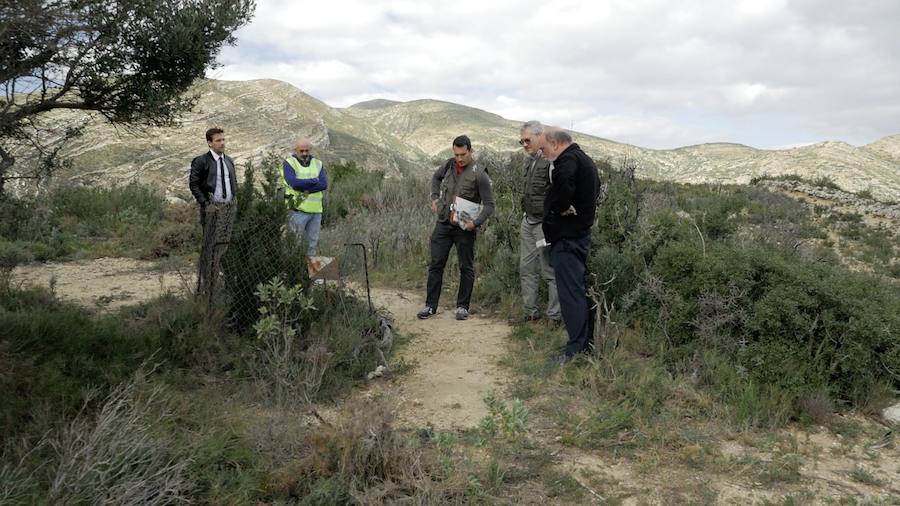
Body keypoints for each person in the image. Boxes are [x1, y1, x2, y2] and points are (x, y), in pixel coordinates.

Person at [417, 135, 495, 321]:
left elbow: (489, 204)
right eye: (456, 154)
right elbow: (436, 178)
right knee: (436, 264)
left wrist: (475, 223)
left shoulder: (480, 174)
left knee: (466, 267)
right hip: (444, 222)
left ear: (470, 151)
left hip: (464, 227)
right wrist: (434, 197)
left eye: (463, 154)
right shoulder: (449, 165)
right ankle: (430, 306)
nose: (459, 158)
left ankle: (462, 307)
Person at [539, 127, 601, 361]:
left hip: (568, 239)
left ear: (555, 143)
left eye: (545, 148)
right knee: (578, 291)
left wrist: (560, 205)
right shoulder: (585, 159)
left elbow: (563, 183)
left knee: (571, 294)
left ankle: (576, 351)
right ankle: (584, 344)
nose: (544, 153)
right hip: (578, 236)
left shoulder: (568, 160)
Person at [515, 121, 561, 325]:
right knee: (526, 268)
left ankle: (555, 317)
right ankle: (531, 313)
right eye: (522, 141)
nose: (525, 144)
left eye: (528, 140)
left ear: (539, 136)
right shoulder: (527, 161)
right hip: (528, 221)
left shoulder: (551, 161)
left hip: (544, 224)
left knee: (550, 271)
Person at [189, 127, 237, 296]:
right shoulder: (201, 161)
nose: (222, 143)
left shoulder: (229, 161)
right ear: (209, 143)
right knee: (209, 246)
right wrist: (204, 203)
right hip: (211, 209)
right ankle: (206, 284)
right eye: (218, 140)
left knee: (224, 245)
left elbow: (233, 184)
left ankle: (219, 279)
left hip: (228, 209)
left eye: (223, 139)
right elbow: (193, 184)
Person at [281, 138, 328, 257]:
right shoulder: (289, 163)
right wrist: (314, 181)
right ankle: (291, 273)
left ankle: (308, 273)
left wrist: (304, 187)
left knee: (312, 245)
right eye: (301, 151)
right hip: (296, 211)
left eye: (307, 150)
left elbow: (323, 184)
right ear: (295, 150)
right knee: (293, 244)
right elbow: (294, 183)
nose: (304, 154)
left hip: (316, 211)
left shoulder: (318, 164)